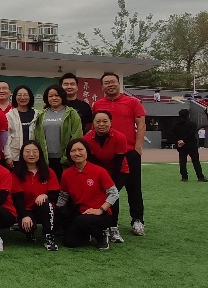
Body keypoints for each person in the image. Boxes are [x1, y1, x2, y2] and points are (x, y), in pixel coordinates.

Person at [92, 72, 147, 236]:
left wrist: (138, 148)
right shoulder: (97, 104)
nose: (110, 85)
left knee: (134, 187)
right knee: (108, 188)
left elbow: (141, 124)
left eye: (113, 82)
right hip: (106, 155)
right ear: (102, 87)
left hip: (129, 152)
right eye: (106, 83)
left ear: (119, 83)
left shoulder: (133, 102)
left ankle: (137, 220)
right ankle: (110, 222)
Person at [56, 138, 118, 250]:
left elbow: (114, 193)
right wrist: (58, 212)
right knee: (69, 242)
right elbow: (63, 196)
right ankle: (86, 233)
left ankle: (102, 236)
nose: (77, 153)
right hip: (80, 213)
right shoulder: (67, 174)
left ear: (87, 151)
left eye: (80, 150)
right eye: (73, 151)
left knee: (81, 220)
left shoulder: (99, 171)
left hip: (101, 214)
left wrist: (100, 210)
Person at [84, 109, 134, 243]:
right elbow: (92, 163)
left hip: (119, 171)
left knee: (112, 194)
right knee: (97, 195)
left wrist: (110, 185)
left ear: (111, 122)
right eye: (98, 121)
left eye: (105, 121)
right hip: (98, 171)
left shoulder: (120, 137)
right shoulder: (87, 139)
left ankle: (114, 227)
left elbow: (118, 164)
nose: (101, 124)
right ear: (93, 123)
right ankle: (102, 226)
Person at [11, 141, 60, 250]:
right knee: (27, 227)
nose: (31, 154)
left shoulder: (48, 171)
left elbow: (55, 193)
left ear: (40, 153)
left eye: (35, 151)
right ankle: (30, 233)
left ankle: (49, 237)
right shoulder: (16, 173)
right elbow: (17, 198)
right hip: (27, 209)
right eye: (27, 151)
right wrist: (24, 215)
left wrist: (45, 196)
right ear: (22, 154)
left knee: (44, 203)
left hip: (44, 208)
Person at [32, 85, 83, 179]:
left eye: (57, 95)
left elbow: (77, 136)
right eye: (50, 96)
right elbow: (37, 136)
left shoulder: (71, 113)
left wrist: (69, 155)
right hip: (46, 159)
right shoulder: (41, 114)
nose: (54, 98)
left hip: (65, 159)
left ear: (62, 96)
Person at [170, 109, 208, 182]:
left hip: (181, 145)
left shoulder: (175, 124)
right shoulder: (192, 124)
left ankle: (184, 177)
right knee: (195, 161)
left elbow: (172, 133)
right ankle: (200, 177)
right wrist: (184, 141)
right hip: (191, 145)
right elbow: (191, 133)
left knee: (182, 161)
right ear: (188, 115)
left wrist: (178, 140)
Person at [4, 85, 37, 164]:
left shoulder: (37, 114)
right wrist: (8, 156)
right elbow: (7, 137)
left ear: (30, 97)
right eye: (19, 95)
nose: (22, 98)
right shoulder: (9, 115)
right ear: (14, 97)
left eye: (25, 95)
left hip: (33, 155)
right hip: (15, 156)